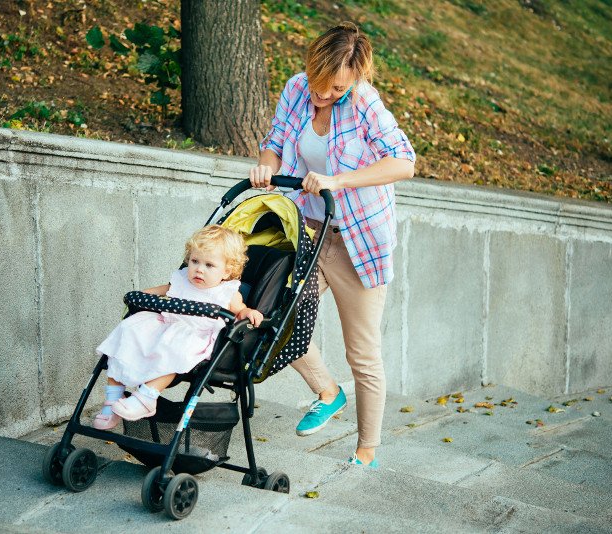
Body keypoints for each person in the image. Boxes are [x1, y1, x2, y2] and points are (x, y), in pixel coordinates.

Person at [249, 22, 415, 468]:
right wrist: (266, 166)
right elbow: (276, 142)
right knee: (273, 316)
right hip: (307, 231)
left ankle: (366, 451)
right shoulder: (298, 88)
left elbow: (404, 162)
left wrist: (337, 180)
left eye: (334, 88)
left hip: (356, 240)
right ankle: (327, 390)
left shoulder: (365, 104)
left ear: (355, 75)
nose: (322, 96)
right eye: (318, 86)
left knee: (361, 351)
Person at [92, 225, 263, 430]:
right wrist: (142, 295)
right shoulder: (181, 280)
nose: (199, 269)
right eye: (194, 261)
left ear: (227, 271)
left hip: (194, 335)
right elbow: (162, 291)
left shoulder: (227, 292)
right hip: (166, 324)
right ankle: (113, 398)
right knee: (129, 331)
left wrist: (248, 313)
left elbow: (240, 310)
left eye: (209, 265)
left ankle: (146, 397)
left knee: (174, 349)